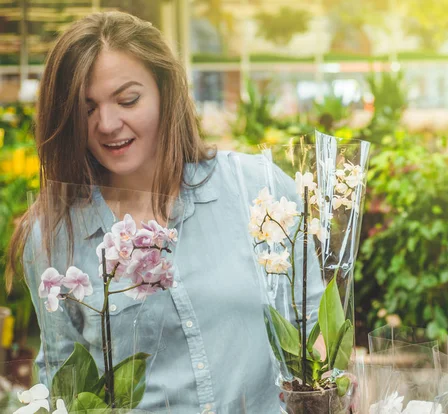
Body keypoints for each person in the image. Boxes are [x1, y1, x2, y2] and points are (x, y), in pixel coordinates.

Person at [6, 11, 323, 413]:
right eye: (86, 109)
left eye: (128, 100)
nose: (107, 123)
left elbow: (312, 326)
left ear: (165, 89)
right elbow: (64, 382)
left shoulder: (256, 189)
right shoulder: (54, 234)